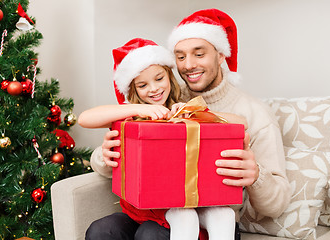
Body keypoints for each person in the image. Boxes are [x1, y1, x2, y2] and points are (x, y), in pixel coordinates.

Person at [91, 8, 292, 240]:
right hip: (155, 207)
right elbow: (124, 140)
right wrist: (106, 156)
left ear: (220, 55)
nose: (188, 65)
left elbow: (276, 205)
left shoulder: (255, 113)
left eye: (199, 54)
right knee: (101, 231)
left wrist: (256, 175)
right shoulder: (166, 98)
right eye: (181, 56)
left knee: (152, 233)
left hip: (210, 217)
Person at [80, 38, 247, 240]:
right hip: (142, 208)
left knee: (202, 217)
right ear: (133, 90)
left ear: (169, 76)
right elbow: (84, 118)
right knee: (100, 230)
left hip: (182, 202)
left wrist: (195, 112)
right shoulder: (131, 116)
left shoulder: (181, 108)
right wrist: (138, 108)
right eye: (142, 85)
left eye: (159, 79)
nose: (153, 89)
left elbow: (240, 122)